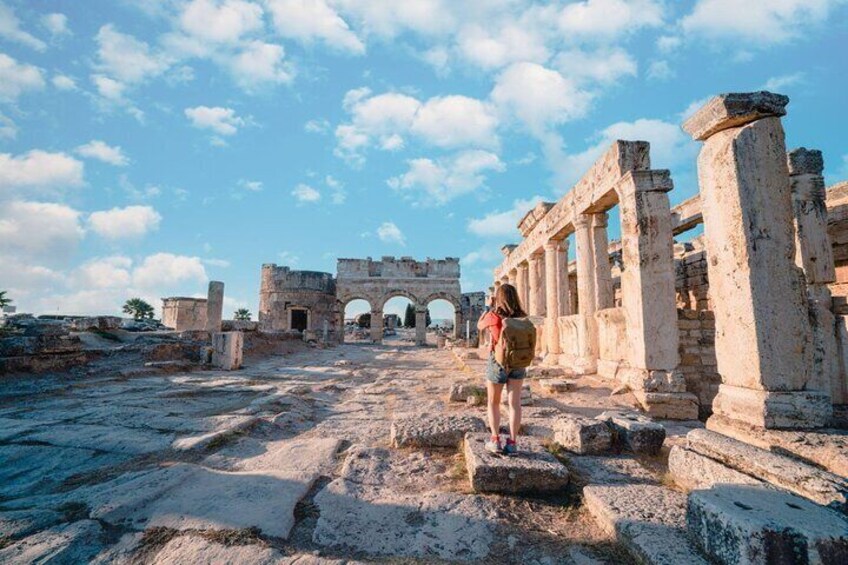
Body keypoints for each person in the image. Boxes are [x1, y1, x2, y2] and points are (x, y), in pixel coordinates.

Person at [477, 283, 527, 455]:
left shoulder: (493, 315)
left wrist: (489, 306)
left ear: (498, 298)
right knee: (515, 404)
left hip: (498, 362)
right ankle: (512, 443)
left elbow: (479, 325)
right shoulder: (523, 317)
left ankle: (495, 440)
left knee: (494, 402)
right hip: (519, 361)